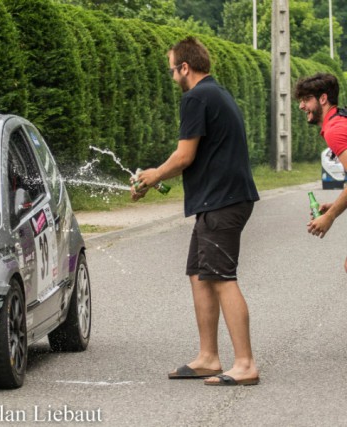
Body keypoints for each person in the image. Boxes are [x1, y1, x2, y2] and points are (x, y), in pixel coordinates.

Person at [131, 37, 260, 386]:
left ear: (185, 67)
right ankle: (208, 357)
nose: (172, 77)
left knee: (220, 277)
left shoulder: (195, 97)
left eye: (173, 70)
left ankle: (245, 363)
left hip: (222, 202)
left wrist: (153, 174)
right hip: (217, 201)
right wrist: (156, 178)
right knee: (200, 273)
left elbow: (184, 155)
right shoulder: (218, 93)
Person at [296, 73, 347, 268]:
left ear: (323, 99)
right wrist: (335, 205)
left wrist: (330, 215)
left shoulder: (335, 129)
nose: (301, 106)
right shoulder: (340, 120)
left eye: (306, 99)